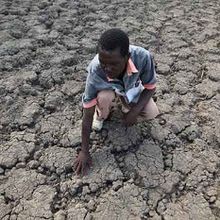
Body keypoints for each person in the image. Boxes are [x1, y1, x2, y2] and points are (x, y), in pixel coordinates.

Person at [74, 28, 159, 175]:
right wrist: (84, 151)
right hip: (108, 90)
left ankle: (124, 105)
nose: (107, 68)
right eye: (103, 63)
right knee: (103, 98)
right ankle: (102, 113)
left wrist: (134, 111)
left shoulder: (143, 57)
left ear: (127, 57)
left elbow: (150, 87)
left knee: (151, 113)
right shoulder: (95, 69)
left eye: (114, 64)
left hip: (130, 88)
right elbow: (86, 111)